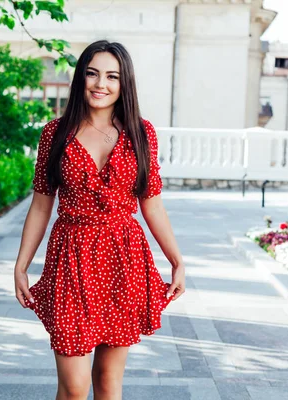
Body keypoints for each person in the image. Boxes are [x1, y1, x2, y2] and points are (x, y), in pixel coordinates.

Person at [13, 40, 186, 400]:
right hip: (72, 258)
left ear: (125, 84)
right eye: (92, 73)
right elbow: (42, 204)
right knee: (75, 388)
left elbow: (152, 204)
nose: (100, 84)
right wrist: (22, 264)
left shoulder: (141, 133)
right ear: (80, 78)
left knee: (108, 381)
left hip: (123, 260)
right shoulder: (55, 133)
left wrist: (177, 261)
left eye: (112, 76)